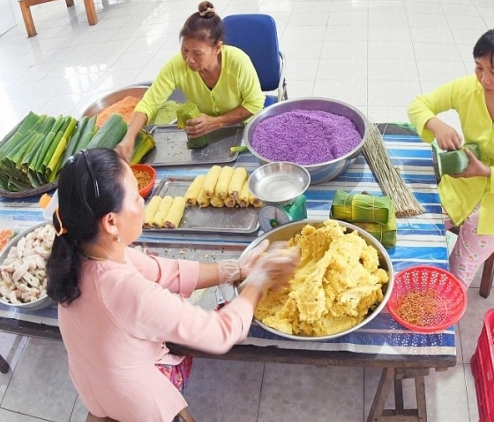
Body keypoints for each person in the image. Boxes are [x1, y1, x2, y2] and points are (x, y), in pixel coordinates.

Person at [46, 148, 299, 421]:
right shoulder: (129, 292)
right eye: (134, 196)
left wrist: (236, 269)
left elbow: (163, 271)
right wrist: (260, 279)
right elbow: (221, 332)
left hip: (95, 387)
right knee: (196, 335)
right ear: (111, 222)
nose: (142, 202)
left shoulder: (79, 252)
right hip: (136, 404)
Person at [407, 27, 494, 289]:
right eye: (478, 68)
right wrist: (436, 124)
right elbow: (418, 105)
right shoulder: (468, 88)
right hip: (463, 180)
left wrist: (486, 172)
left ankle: (442, 308)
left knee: (460, 267)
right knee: (419, 231)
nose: (484, 79)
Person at [115, 1, 265, 161]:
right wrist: (130, 137)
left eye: (197, 54)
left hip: (243, 129)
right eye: (185, 50)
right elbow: (149, 103)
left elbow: (255, 105)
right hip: (204, 133)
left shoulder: (238, 62)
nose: (189, 60)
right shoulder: (176, 65)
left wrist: (217, 122)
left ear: (217, 48)